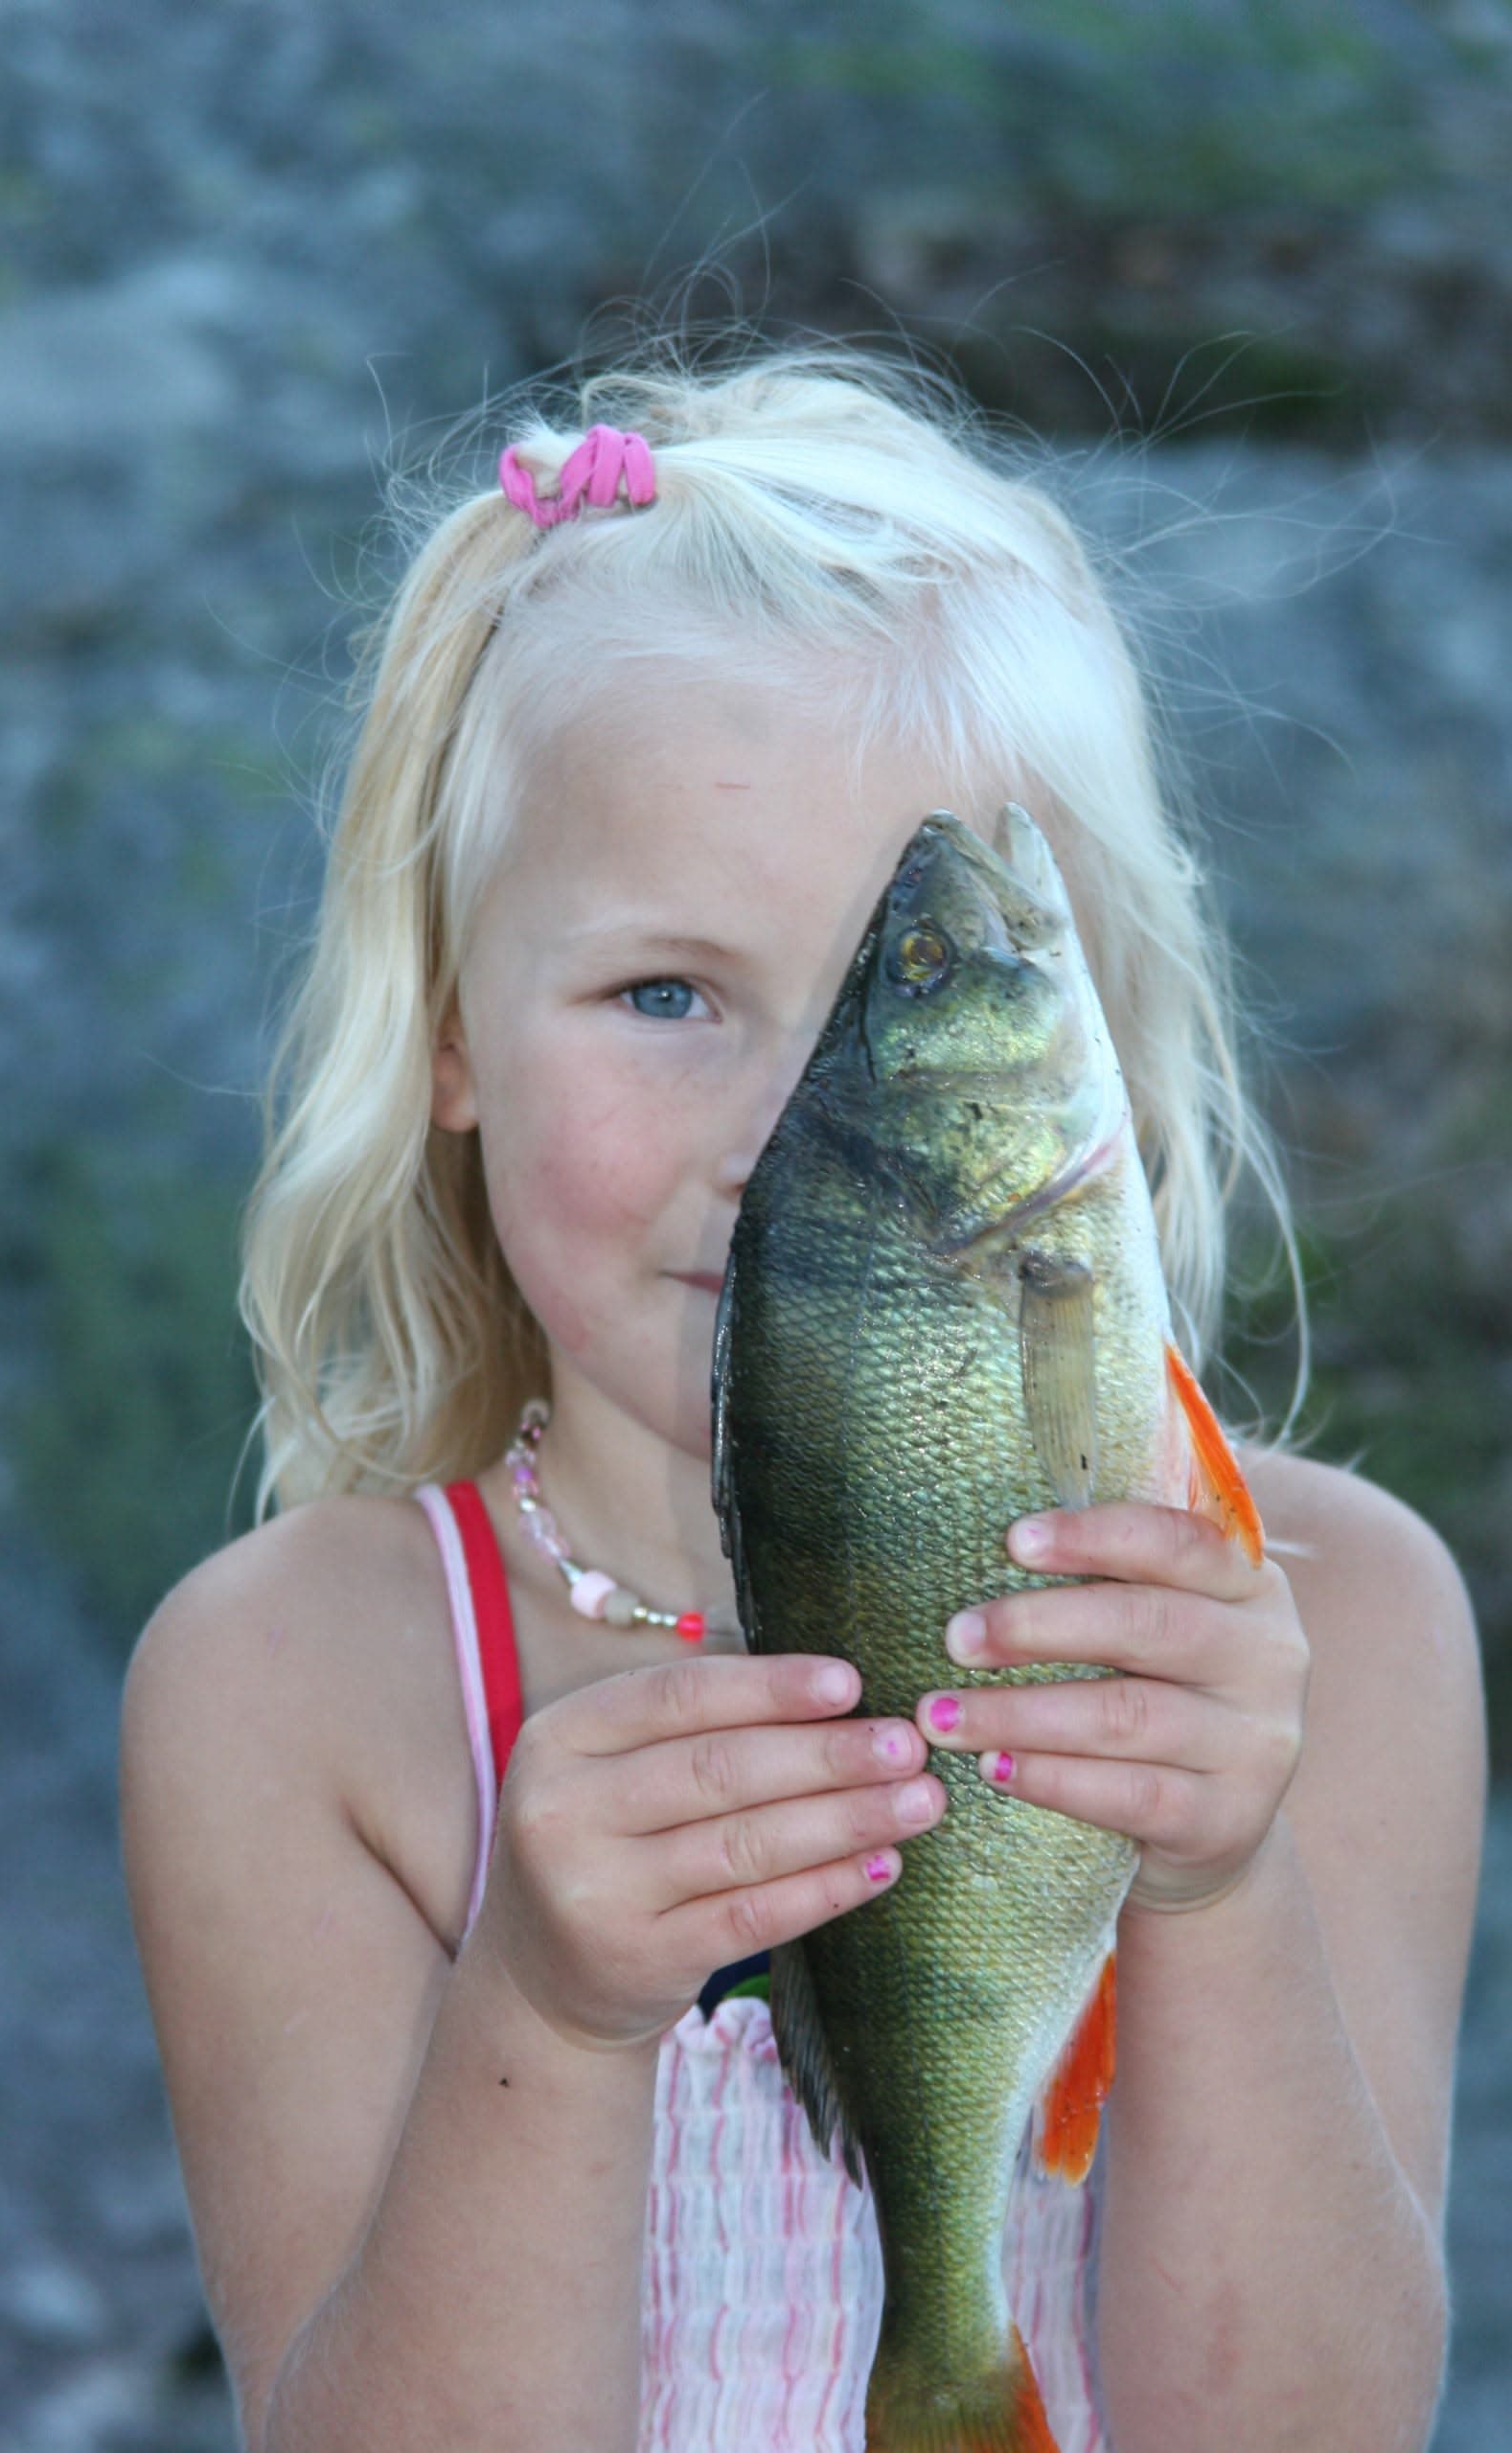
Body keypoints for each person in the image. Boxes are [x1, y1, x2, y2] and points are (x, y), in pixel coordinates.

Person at [119, 346, 1484, 2453]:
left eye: (900, 989)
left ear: (1101, 1064)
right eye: (665, 992)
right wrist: (556, 2016)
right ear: (455, 1028)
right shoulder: (290, 1686)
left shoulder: (1332, 1626)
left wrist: (1216, 1881)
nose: (784, 1129)